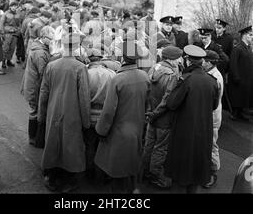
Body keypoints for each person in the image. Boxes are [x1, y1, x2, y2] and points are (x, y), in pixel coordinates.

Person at [94, 38, 151, 193]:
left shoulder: (118, 79)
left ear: (123, 58)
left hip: (119, 131)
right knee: (132, 164)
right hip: (137, 128)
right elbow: (147, 104)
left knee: (117, 169)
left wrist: (101, 130)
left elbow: (108, 111)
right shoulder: (144, 77)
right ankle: (133, 189)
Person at [38, 32, 91, 193]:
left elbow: (44, 93)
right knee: (71, 146)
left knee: (53, 142)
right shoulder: (80, 68)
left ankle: (52, 177)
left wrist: (41, 114)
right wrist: (86, 122)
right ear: (76, 47)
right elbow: (84, 98)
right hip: (72, 113)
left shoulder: (52, 65)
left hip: (53, 111)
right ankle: (68, 180)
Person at [164, 45, 219, 193]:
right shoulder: (212, 81)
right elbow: (214, 105)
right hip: (203, 131)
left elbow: (171, 103)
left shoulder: (186, 80)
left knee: (179, 176)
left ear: (188, 61)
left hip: (184, 131)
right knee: (196, 174)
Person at [143, 46, 183, 189]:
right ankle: (155, 176)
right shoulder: (172, 75)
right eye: (178, 57)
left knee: (148, 145)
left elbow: (147, 93)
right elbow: (167, 100)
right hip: (163, 119)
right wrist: (156, 113)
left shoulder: (153, 68)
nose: (180, 60)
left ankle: (145, 171)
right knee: (160, 148)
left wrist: (150, 113)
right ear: (172, 59)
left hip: (150, 115)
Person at [84, 48, 116, 181]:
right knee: (104, 146)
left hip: (89, 115)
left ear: (89, 59)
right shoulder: (112, 74)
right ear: (101, 59)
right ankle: (102, 175)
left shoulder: (85, 73)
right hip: (105, 116)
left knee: (89, 145)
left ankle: (89, 173)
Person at [21, 26, 55, 146]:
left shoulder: (37, 47)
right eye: (51, 39)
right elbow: (44, 73)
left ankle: (33, 136)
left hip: (31, 84)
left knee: (33, 110)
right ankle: (33, 137)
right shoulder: (41, 53)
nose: (52, 41)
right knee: (35, 111)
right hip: (35, 87)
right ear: (43, 37)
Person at [202, 50, 223, 188]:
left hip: (212, 117)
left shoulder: (215, 77)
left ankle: (212, 173)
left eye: (204, 60)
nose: (202, 62)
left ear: (209, 62)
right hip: (210, 115)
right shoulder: (210, 73)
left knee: (211, 146)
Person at [228, 25, 253, 121]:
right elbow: (233, 64)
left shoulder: (247, 48)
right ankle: (235, 114)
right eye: (250, 35)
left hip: (246, 78)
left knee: (243, 97)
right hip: (239, 79)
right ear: (244, 36)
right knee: (238, 97)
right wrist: (236, 77)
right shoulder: (238, 48)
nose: (252, 37)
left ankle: (240, 113)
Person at [0, 1, 20, 68]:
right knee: (5, 48)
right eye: (13, 6)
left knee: (12, 48)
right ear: (10, 7)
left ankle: (9, 61)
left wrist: (18, 30)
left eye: (15, 6)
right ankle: (3, 62)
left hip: (15, 33)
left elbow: (19, 24)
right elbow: (1, 24)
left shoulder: (18, 14)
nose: (14, 7)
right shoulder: (6, 14)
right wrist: (2, 33)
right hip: (7, 33)